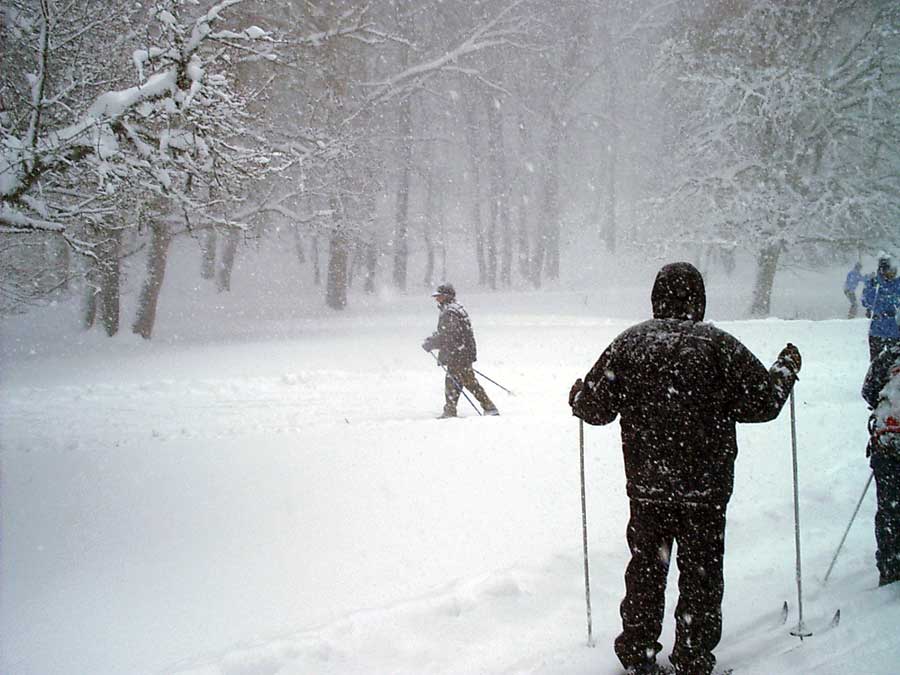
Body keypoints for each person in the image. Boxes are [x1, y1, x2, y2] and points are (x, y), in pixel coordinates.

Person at [568, 262, 801, 675]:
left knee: (646, 568)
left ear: (657, 297)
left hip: (648, 487)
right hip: (705, 490)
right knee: (702, 572)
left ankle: (639, 651)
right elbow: (763, 404)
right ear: (699, 299)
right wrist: (785, 369)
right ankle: (692, 656)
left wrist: (579, 395)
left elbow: (596, 409)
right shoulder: (717, 346)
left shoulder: (631, 343)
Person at [422, 283, 498, 418]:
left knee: (458, 382)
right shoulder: (456, 308)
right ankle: (484, 407)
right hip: (463, 352)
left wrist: (432, 343)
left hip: (458, 353)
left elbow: (450, 335)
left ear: (446, 296)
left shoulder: (450, 312)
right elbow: (452, 333)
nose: (436, 299)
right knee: (462, 381)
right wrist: (435, 338)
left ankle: (455, 410)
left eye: (439, 296)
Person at [861, 342, 900, 587]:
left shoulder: (890, 356)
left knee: (889, 509)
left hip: (888, 445)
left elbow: (868, 391)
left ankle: (890, 565)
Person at [861, 253, 900, 361]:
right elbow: (866, 302)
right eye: (890, 270)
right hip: (878, 330)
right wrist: (871, 287)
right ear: (883, 270)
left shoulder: (897, 283)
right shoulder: (874, 283)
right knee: (876, 363)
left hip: (894, 330)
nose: (893, 272)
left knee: (895, 362)